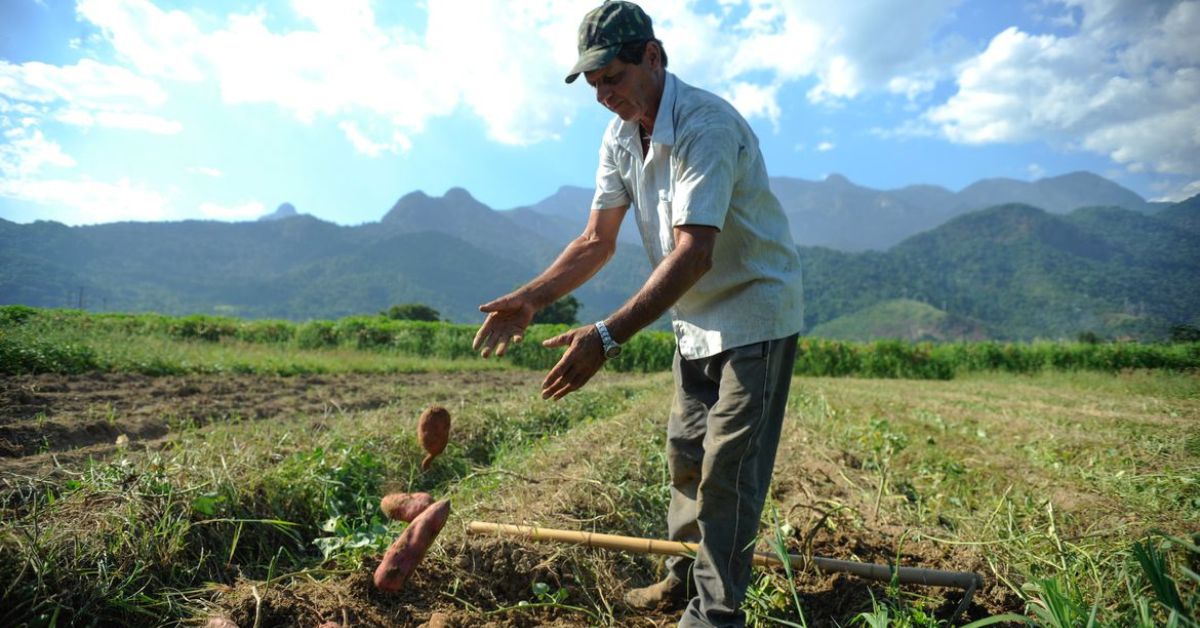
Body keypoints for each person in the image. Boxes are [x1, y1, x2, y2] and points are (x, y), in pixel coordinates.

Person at [472, 2, 804, 625]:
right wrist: (532, 297)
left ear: (652, 56)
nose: (603, 96)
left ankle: (713, 616)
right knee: (685, 456)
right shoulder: (621, 133)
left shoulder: (705, 124)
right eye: (594, 84)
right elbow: (597, 240)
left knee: (728, 472)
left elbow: (695, 252)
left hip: (755, 312)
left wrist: (606, 335)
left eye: (612, 78)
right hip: (695, 321)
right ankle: (682, 577)